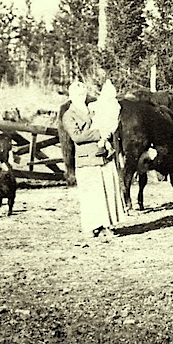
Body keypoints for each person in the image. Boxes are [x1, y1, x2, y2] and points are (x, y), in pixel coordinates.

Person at [59, 78, 124, 240]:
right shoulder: (69, 115)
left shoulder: (93, 109)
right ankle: (91, 227)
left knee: (106, 193)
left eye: (83, 93)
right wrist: (99, 133)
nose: (81, 96)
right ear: (71, 96)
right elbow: (77, 137)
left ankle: (106, 226)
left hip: (103, 157)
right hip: (86, 159)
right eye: (77, 94)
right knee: (91, 196)